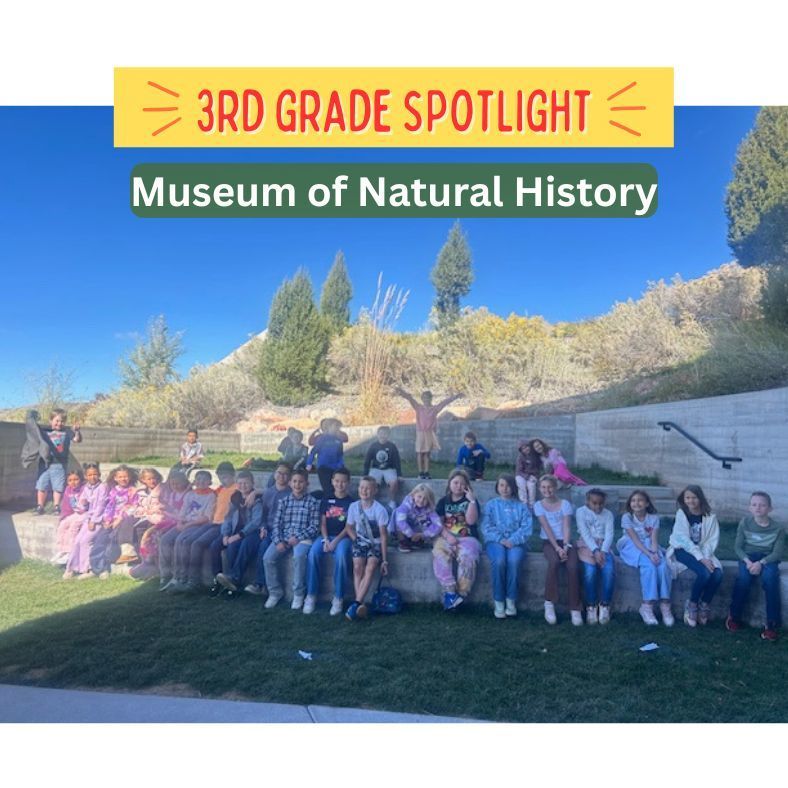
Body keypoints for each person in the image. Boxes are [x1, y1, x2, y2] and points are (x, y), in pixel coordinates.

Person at [215, 466, 291, 597]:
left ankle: (256, 583)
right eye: (279, 473)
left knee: (257, 545)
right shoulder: (264, 493)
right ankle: (232, 580)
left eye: (285, 474)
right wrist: (226, 534)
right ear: (274, 474)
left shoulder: (286, 494)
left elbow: (257, 519)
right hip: (263, 528)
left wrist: (255, 494)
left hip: (273, 530)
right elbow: (229, 517)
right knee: (234, 546)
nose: (281, 476)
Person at [726, 491, 784, 642]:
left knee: (770, 580)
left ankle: (771, 623)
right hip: (748, 557)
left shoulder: (778, 528)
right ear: (749, 508)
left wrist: (761, 563)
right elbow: (738, 547)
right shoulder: (745, 523)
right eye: (754, 504)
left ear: (770, 508)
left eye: (762, 505)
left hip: (768, 559)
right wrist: (748, 562)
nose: (758, 508)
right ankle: (734, 616)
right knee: (744, 579)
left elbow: (777, 553)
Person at [262, 469, 321, 609]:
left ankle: (298, 594)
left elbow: (314, 527)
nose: (297, 484)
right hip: (284, 536)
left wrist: (298, 537)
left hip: (303, 538)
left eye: (301, 482)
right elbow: (277, 524)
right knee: (268, 558)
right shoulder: (284, 502)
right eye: (294, 481)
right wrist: (278, 541)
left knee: (299, 557)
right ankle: (275, 592)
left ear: (307, 483)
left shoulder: (312, 502)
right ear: (290, 483)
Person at [666, 485, 722, 627]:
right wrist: (701, 559)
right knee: (705, 573)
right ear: (684, 499)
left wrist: (706, 557)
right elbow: (684, 540)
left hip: (703, 551)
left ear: (700, 498)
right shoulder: (682, 514)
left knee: (718, 574)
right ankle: (692, 604)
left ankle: (704, 604)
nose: (691, 501)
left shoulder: (710, 517)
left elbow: (711, 541)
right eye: (687, 498)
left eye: (694, 497)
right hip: (682, 550)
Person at [618, 489, 673, 626]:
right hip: (631, 546)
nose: (636, 503)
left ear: (647, 503)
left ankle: (665, 604)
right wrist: (649, 555)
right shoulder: (627, 517)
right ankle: (646, 605)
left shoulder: (653, 518)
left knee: (662, 566)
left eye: (640, 500)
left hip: (649, 545)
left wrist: (654, 553)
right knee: (649, 566)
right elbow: (635, 540)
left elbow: (654, 539)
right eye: (633, 500)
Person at [304, 468, 354, 615]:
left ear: (348, 483)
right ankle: (311, 595)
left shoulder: (352, 503)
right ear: (332, 481)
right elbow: (323, 523)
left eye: (343, 481)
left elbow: (348, 527)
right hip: (325, 537)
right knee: (313, 553)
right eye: (337, 481)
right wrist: (326, 539)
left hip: (343, 538)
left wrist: (335, 542)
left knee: (341, 556)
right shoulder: (326, 500)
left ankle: (338, 597)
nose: (340, 484)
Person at [534, 474, 583, 625]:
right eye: (543, 487)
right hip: (549, 542)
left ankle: (575, 607)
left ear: (555, 487)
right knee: (554, 562)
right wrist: (557, 548)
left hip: (566, 541)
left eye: (550, 487)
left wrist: (566, 546)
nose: (547, 490)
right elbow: (546, 528)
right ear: (539, 489)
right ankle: (549, 603)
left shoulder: (565, 504)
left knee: (573, 566)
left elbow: (566, 526)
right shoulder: (538, 505)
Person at [482, 474, 532, 618]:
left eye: (508, 485)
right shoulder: (491, 505)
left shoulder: (521, 506)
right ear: (497, 487)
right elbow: (486, 526)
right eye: (502, 485)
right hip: (495, 541)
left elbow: (526, 528)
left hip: (516, 542)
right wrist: (500, 539)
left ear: (514, 487)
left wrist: (513, 540)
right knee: (499, 561)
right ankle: (499, 600)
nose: (505, 488)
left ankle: (511, 599)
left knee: (514, 561)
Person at [159, 470, 218, 591]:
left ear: (210, 482)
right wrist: (180, 522)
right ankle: (166, 574)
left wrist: (187, 525)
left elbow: (206, 517)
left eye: (204, 479)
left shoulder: (211, 496)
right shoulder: (190, 494)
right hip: (184, 523)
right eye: (198, 479)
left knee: (181, 541)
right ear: (194, 481)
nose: (201, 482)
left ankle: (181, 576)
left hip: (197, 525)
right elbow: (183, 511)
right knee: (165, 540)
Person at [432, 469, 482, 610]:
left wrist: (472, 501)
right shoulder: (443, 501)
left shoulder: (471, 501)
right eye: (455, 482)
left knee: (468, 556)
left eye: (462, 483)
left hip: (468, 538)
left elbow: (471, 521)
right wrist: (448, 536)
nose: (459, 486)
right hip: (446, 537)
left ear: (467, 486)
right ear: (449, 483)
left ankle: (461, 593)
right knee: (439, 553)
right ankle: (450, 592)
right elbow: (438, 524)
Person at [130, 471, 190, 581]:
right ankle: (148, 562)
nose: (175, 486)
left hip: (179, 521)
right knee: (148, 534)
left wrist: (168, 511)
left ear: (184, 482)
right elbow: (168, 507)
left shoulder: (188, 494)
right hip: (170, 519)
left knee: (157, 536)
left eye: (178, 483)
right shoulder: (173, 494)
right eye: (173, 484)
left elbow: (183, 512)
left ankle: (157, 567)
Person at [345, 476, 390, 620]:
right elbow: (349, 527)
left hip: (375, 543)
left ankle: (356, 603)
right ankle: (360, 604)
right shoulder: (353, 507)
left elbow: (383, 536)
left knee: (370, 567)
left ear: (375, 490)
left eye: (368, 488)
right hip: (360, 541)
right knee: (357, 567)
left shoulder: (380, 510)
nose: (364, 491)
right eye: (362, 487)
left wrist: (384, 560)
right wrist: (356, 539)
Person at [24, 408, 82, 515]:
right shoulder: (44, 431)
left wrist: (77, 431)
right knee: (42, 485)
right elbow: (32, 432)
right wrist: (31, 418)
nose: (59, 423)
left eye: (62, 421)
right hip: (45, 463)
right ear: (51, 421)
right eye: (57, 421)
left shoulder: (67, 432)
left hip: (59, 464)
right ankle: (40, 506)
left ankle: (56, 506)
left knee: (58, 487)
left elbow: (77, 440)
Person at [394, 386, 461, 479]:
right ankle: (420, 472)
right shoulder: (418, 408)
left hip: (430, 432)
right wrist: (401, 392)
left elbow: (444, 402)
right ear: (422, 399)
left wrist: (456, 396)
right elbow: (410, 398)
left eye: (428, 398)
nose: (426, 400)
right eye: (424, 398)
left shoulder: (434, 409)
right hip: (420, 432)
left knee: (427, 453)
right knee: (419, 452)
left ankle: (426, 472)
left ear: (431, 398)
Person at [89, 464, 139, 577]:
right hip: (111, 521)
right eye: (120, 477)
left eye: (125, 476)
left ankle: (105, 567)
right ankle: (98, 569)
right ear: (115, 478)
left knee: (111, 541)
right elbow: (110, 506)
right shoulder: (113, 491)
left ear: (130, 477)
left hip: (123, 521)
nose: (123, 479)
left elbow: (133, 508)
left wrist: (120, 518)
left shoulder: (133, 491)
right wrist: (107, 520)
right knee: (99, 540)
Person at [575, 488, 616, 625]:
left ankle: (605, 604)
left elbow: (609, 534)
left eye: (601, 503)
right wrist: (595, 550)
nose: (598, 506)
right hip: (587, 545)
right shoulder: (581, 512)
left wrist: (602, 551)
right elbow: (585, 533)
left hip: (604, 547)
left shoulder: (608, 514)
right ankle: (591, 605)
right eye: (594, 503)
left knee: (609, 570)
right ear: (588, 501)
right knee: (590, 571)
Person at [63, 463, 108, 579]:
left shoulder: (102, 487)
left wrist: (94, 520)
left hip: (99, 519)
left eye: (95, 474)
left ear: (99, 474)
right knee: (77, 541)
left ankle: (87, 569)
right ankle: (71, 568)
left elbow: (101, 505)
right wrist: (81, 506)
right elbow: (83, 501)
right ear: (86, 476)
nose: (92, 477)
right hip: (88, 518)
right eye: (90, 475)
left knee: (85, 541)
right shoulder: (87, 487)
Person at [393, 483, 441, 553]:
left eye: (425, 499)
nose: (421, 500)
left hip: (418, 531)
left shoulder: (429, 509)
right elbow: (401, 522)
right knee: (398, 514)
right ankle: (402, 541)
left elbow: (438, 524)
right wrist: (411, 534)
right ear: (413, 495)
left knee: (427, 520)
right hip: (405, 529)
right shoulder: (406, 505)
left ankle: (416, 541)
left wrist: (423, 534)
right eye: (419, 496)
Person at [306, 418, 349, 496]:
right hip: (323, 468)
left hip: (335, 468)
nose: (337, 429)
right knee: (327, 489)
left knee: (335, 489)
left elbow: (340, 455)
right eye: (335, 427)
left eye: (338, 427)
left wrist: (341, 465)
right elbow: (313, 452)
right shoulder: (322, 439)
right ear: (328, 427)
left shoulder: (338, 440)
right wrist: (309, 463)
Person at [51, 469, 85, 566]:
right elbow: (66, 505)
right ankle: (61, 550)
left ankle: (70, 551)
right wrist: (64, 517)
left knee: (73, 526)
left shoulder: (84, 489)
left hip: (84, 513)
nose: (73, 482)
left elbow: (85, 506)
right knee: (62, 525)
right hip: (75, 514)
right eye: (70, 480)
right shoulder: (68, 489)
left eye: (76, 479)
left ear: (81, 479)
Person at [363, 425, 402, 500]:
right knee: (370, 484)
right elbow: (367, 460)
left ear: (388, 435)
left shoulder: (392, 446)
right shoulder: (373, 446)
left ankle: (392, 501)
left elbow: (397, 461)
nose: (382, 436)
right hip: (376, 469)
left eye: (385, 434)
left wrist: (399, 475)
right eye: (380, 433)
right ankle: (372, 501)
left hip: (389, 469)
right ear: (377, 434)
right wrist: (365, 474)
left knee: (394, 483)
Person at [515, 438, 542, 509]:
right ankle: (523, 503)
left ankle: (531, 504)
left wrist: (536, 477)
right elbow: (519, 470)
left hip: (532, 475)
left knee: (531, 486)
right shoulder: (520, 457)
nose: (526, 449)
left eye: (527, 446)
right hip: (521, 475)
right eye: (523, 448)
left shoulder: (535, 456)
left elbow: (538, 469)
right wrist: (526, 476)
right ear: (521, 450)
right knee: (521, 485)